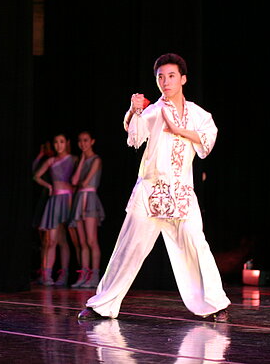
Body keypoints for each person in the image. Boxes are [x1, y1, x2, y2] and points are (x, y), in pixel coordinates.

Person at [78, 53, 230, 321]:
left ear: (183, 79)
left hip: (182, 194)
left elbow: (207, 139)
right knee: (129, 247)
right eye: (160, 77)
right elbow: (135, 137)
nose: (166, 81)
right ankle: (102, 304)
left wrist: (179, 129)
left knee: (196, 243)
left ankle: (215, 304)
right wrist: (133, 110)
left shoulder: (197, 114)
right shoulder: (153, 110)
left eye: (171, 76)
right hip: (150, 192)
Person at [34, 133, 78, 286]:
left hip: (69, 200)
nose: (58, 145)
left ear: (67, 143)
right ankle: (47, 275)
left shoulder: (73, 159)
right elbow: (36, 176)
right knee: (51, 240)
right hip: (55, 200)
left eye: (61, 142)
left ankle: (63, 276)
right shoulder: (51, 161)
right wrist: (49, 186)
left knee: (64, 240)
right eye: (56, 142)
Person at [69, 131, 105, 288]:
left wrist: (85, 160)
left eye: (85, 140)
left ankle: (94, 275)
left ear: (92, 141)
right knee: (83, 242)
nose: (82, 143)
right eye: (80, 141)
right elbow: (75, 181)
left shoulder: (96, 160)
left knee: (91, 240)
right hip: (79, 201)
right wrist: (82, 160)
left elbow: (84, 183)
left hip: (89, 199)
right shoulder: (81, 160)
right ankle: (84, 275)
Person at [30, 141, 54, 282]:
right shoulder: (46, 161)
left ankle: (46, 271)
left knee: (50, 239)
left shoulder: (55, 162)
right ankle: (43, 269)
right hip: (43, 197)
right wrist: (40, 154)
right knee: (43, 239)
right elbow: (34, 172)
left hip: (52, 198)